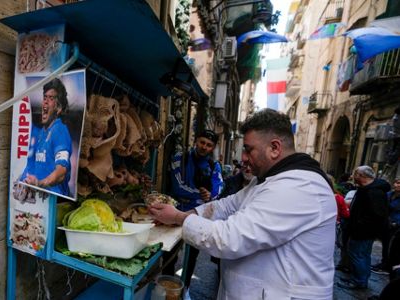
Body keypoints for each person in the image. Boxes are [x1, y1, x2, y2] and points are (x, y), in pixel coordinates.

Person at [150, 109, 337, 299]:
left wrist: (178, 217)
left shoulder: (298, 187)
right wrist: (185, 215)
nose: (244, 158)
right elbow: (226, 205)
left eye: (249, 149)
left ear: (274, 148)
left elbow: (229, 238)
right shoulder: (268, 180)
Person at [166, 129, 224, 290]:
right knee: (169, 253)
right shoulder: (180, 158)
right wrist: (201, 195)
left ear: (212, 148)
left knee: (191, 257)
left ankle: (184, 289)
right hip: (174, 214)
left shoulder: (214, 165)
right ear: (196, 141)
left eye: (209, 145)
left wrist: (210, 195)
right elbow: (177, 188)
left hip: (197, 218)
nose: (204, 147)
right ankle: (167, 288)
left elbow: (218, 188)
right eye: (202, 142)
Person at [338, 166, 390, 290]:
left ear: (361, 176)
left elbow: (377, 215)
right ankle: (360, 278)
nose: (352, 177)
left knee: (358, 255)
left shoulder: (373, 192)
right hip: (362, 231)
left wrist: (358, 225)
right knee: (362, 255)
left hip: (363, 232)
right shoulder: (367, 189)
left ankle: (359, 281)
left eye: (355, 174)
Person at [20, 78, 72, 196]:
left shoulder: (59, 130)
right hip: (39, 197)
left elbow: (61, 172)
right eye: (45, 97)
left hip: (55, 200)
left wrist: (40, 183)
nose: (45, 102)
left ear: (58, 108)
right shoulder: (40, 132)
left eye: (51, 98)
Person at [373, 176, 400, 274]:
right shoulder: (389, 194)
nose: (397, 185)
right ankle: (384, 262)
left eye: (399, 183)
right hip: (385, 223)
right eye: (396, 182)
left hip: (395, 225)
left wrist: (396, 223)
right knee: (385, 245)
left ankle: (387, 266)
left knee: (390, 246)